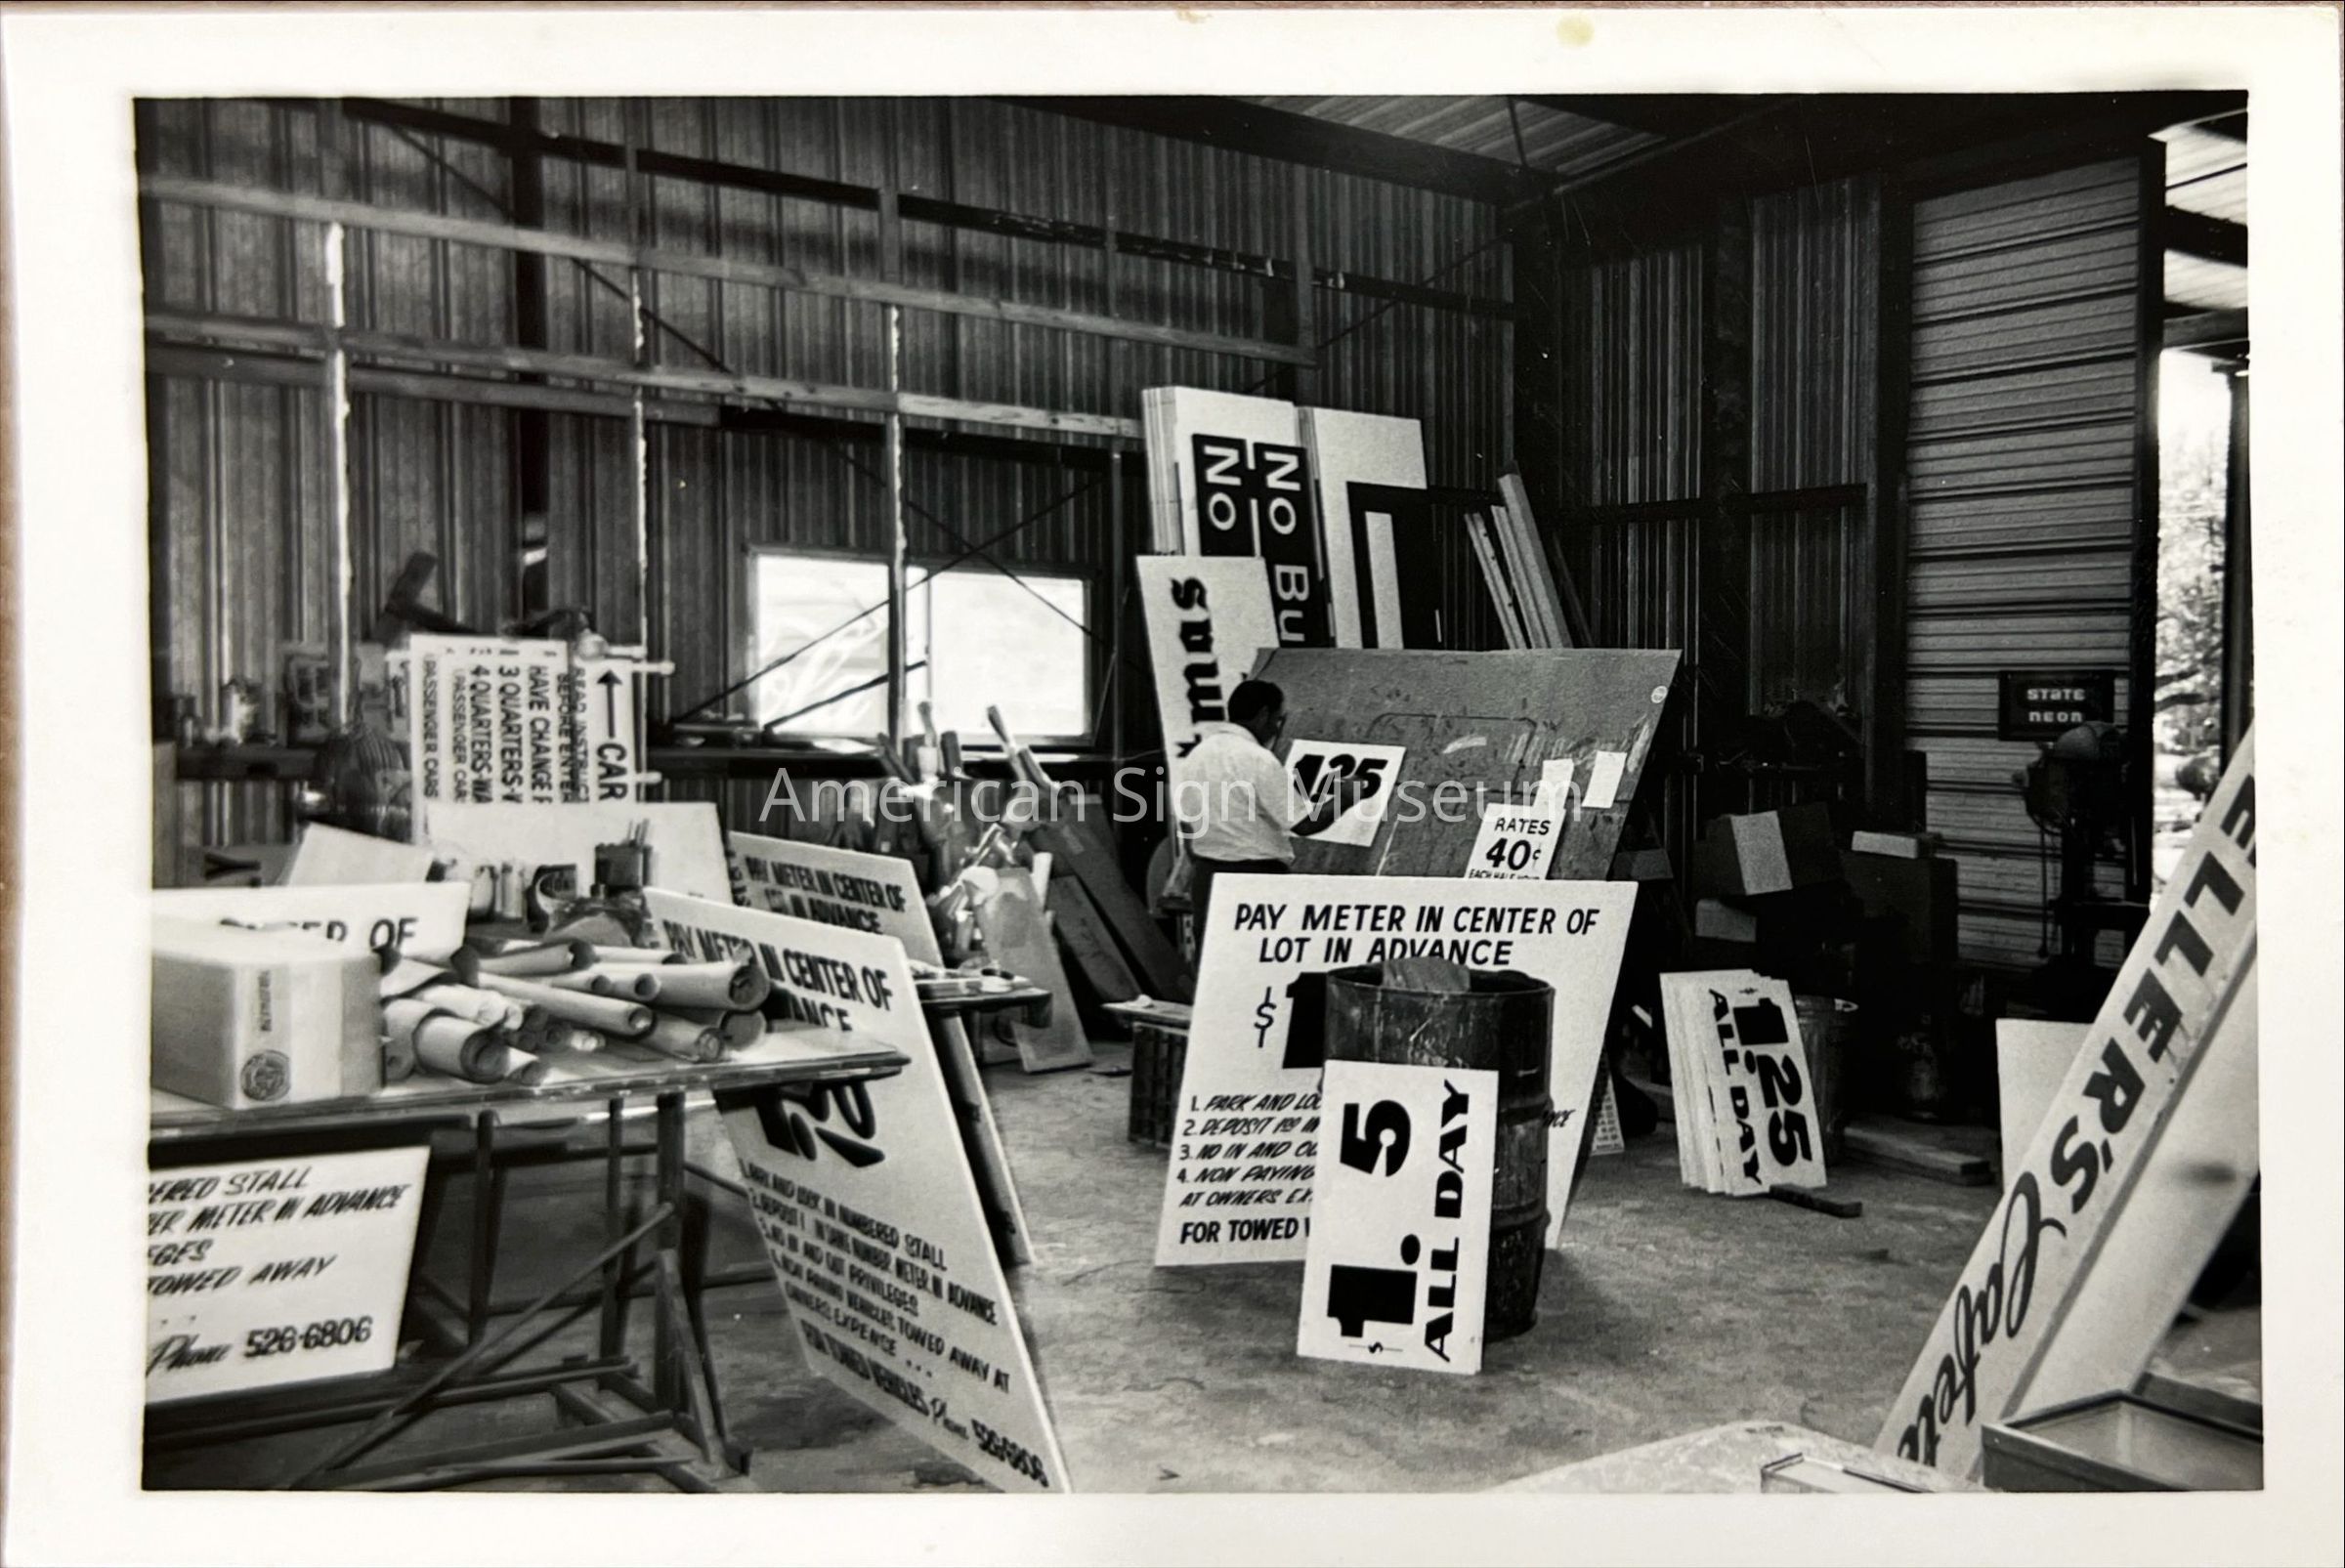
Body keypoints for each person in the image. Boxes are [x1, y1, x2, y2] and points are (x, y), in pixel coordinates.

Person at [1174, 679, 1366, 930]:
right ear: (1264, 715)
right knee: (1258, 952)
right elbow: (1304, 824)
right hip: (1253, 878)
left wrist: (1208, 859)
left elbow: (1187, 825)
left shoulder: (1197, 755)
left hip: (1207, 877)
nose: (1277, 729)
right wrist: (1345, 798)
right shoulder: (1258, 759)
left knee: (1215, 952)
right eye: (1278, 720)